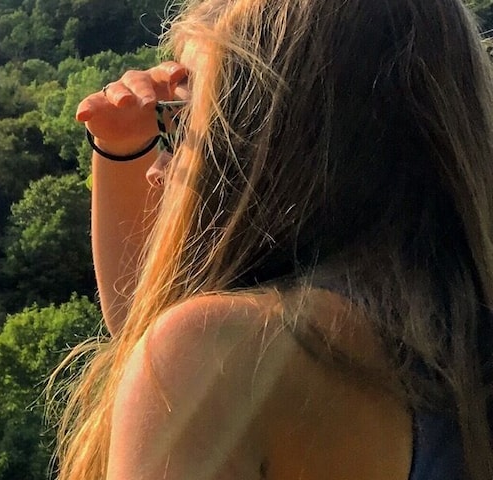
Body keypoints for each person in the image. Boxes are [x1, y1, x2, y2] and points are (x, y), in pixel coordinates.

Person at [59, 0, 493, 478]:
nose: (159, 172)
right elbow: (143, 326)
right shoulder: (451, 343)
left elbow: (164, 365)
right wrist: (123, 146)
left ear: (262, 144)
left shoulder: (230, 356)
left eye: (183, 125)